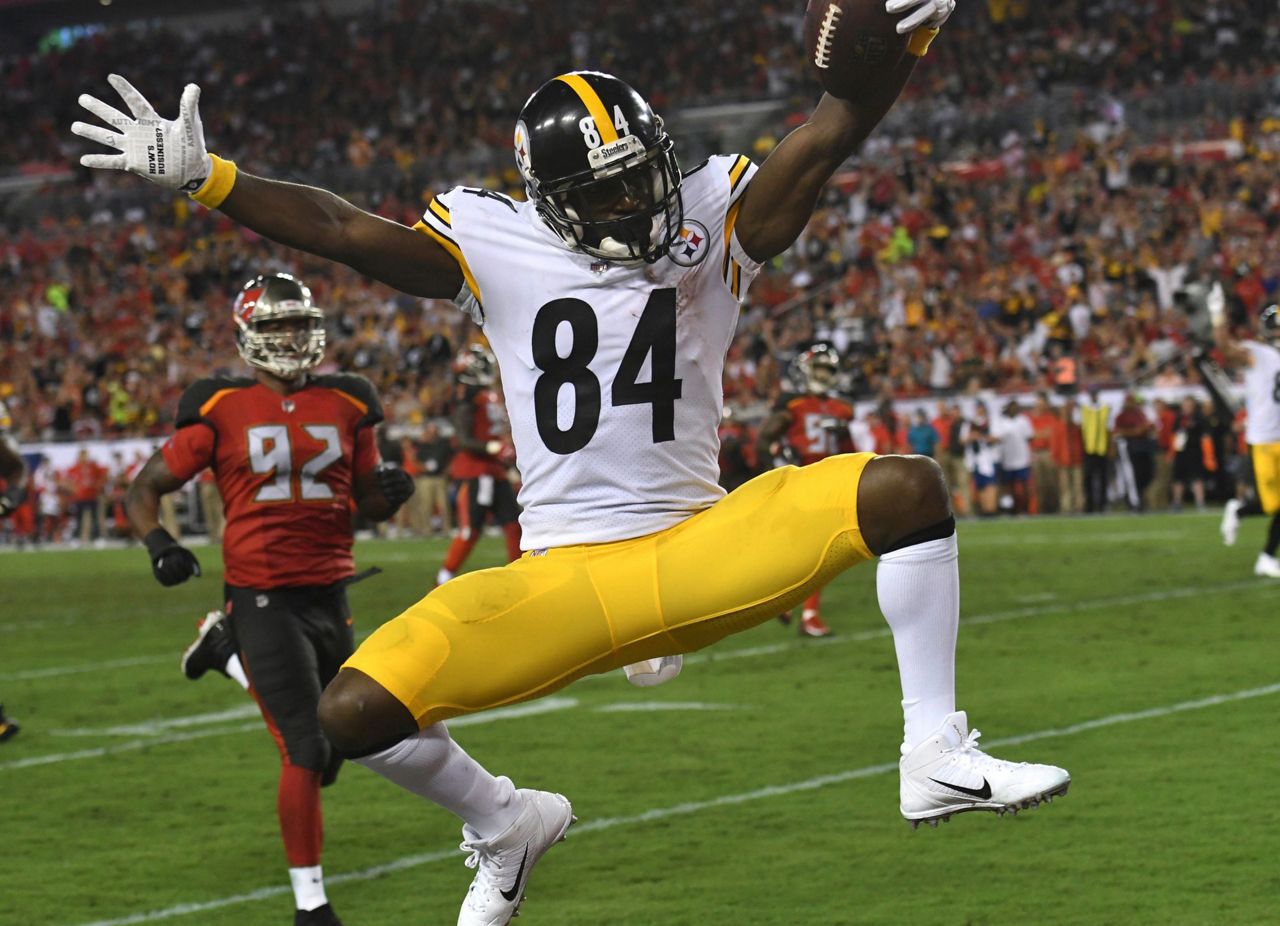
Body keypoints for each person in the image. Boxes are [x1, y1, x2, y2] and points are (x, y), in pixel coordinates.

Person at [76, 12, 1071, 923]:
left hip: (699, 541)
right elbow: (343, 232)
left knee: (903, 488)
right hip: (560, 571)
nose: (636, 202)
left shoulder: (707, 212)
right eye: (605, 191)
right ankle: (507, 822)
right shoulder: (490, 236)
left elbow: (828, 130)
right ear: (547, 199)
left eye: (642, 175)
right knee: (352, 710)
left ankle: (933, 750)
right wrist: (214, 179)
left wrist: (899, 46)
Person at [123, 273, 416, 926]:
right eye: (276, 326)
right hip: (260, 594)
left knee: (343, 740)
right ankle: (311, 904)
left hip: (330, 586)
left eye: (298, 325)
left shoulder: (349, 400)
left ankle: (223, 654)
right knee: (306, 750)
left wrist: (389, 493)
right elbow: (142, 488)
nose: (290, 337)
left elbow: (364, 500)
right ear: (250, 334)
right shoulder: (220, 405)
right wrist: (159, 544)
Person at [757, 343, 854, 637]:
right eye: (818, 369)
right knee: (811, 550)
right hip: (799, 480)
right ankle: (800, 609)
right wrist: (778, 453)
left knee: (817, 551)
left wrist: (843, 434)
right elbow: (764, 439)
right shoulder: (793, 403)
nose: (823, 376)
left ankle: (794, 606)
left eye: (828, 370)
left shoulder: (841, 408)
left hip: (828, 482)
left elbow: (850, 451)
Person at [436, 345, 521, 586]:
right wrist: (492, 448)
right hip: (477, 472)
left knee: (514, 524)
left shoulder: (487, 394)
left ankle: (519, 573)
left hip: (495, 471)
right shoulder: (467, 398)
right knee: (470, 529)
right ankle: (443, 577)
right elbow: (463, 439)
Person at [1216, 304, 1280, 577]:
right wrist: (1217, 315)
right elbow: (1225, 349)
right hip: (1264, 440)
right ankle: (1240, 510)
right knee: (1272, 506)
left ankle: (1267, 557)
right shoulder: (1257, 353)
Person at [1170, 395, 1209, 511]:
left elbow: (1205, 436)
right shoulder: (1178, 418)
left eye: (1189, 405)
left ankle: (1200, 502)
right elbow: (1174, 435)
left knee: (1197, 477)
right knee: (1178, 478)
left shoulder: (1199, 418)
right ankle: (1177, 502)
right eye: (1185, 405)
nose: (1187, 408)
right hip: (1180, 451)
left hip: (1194, 451)